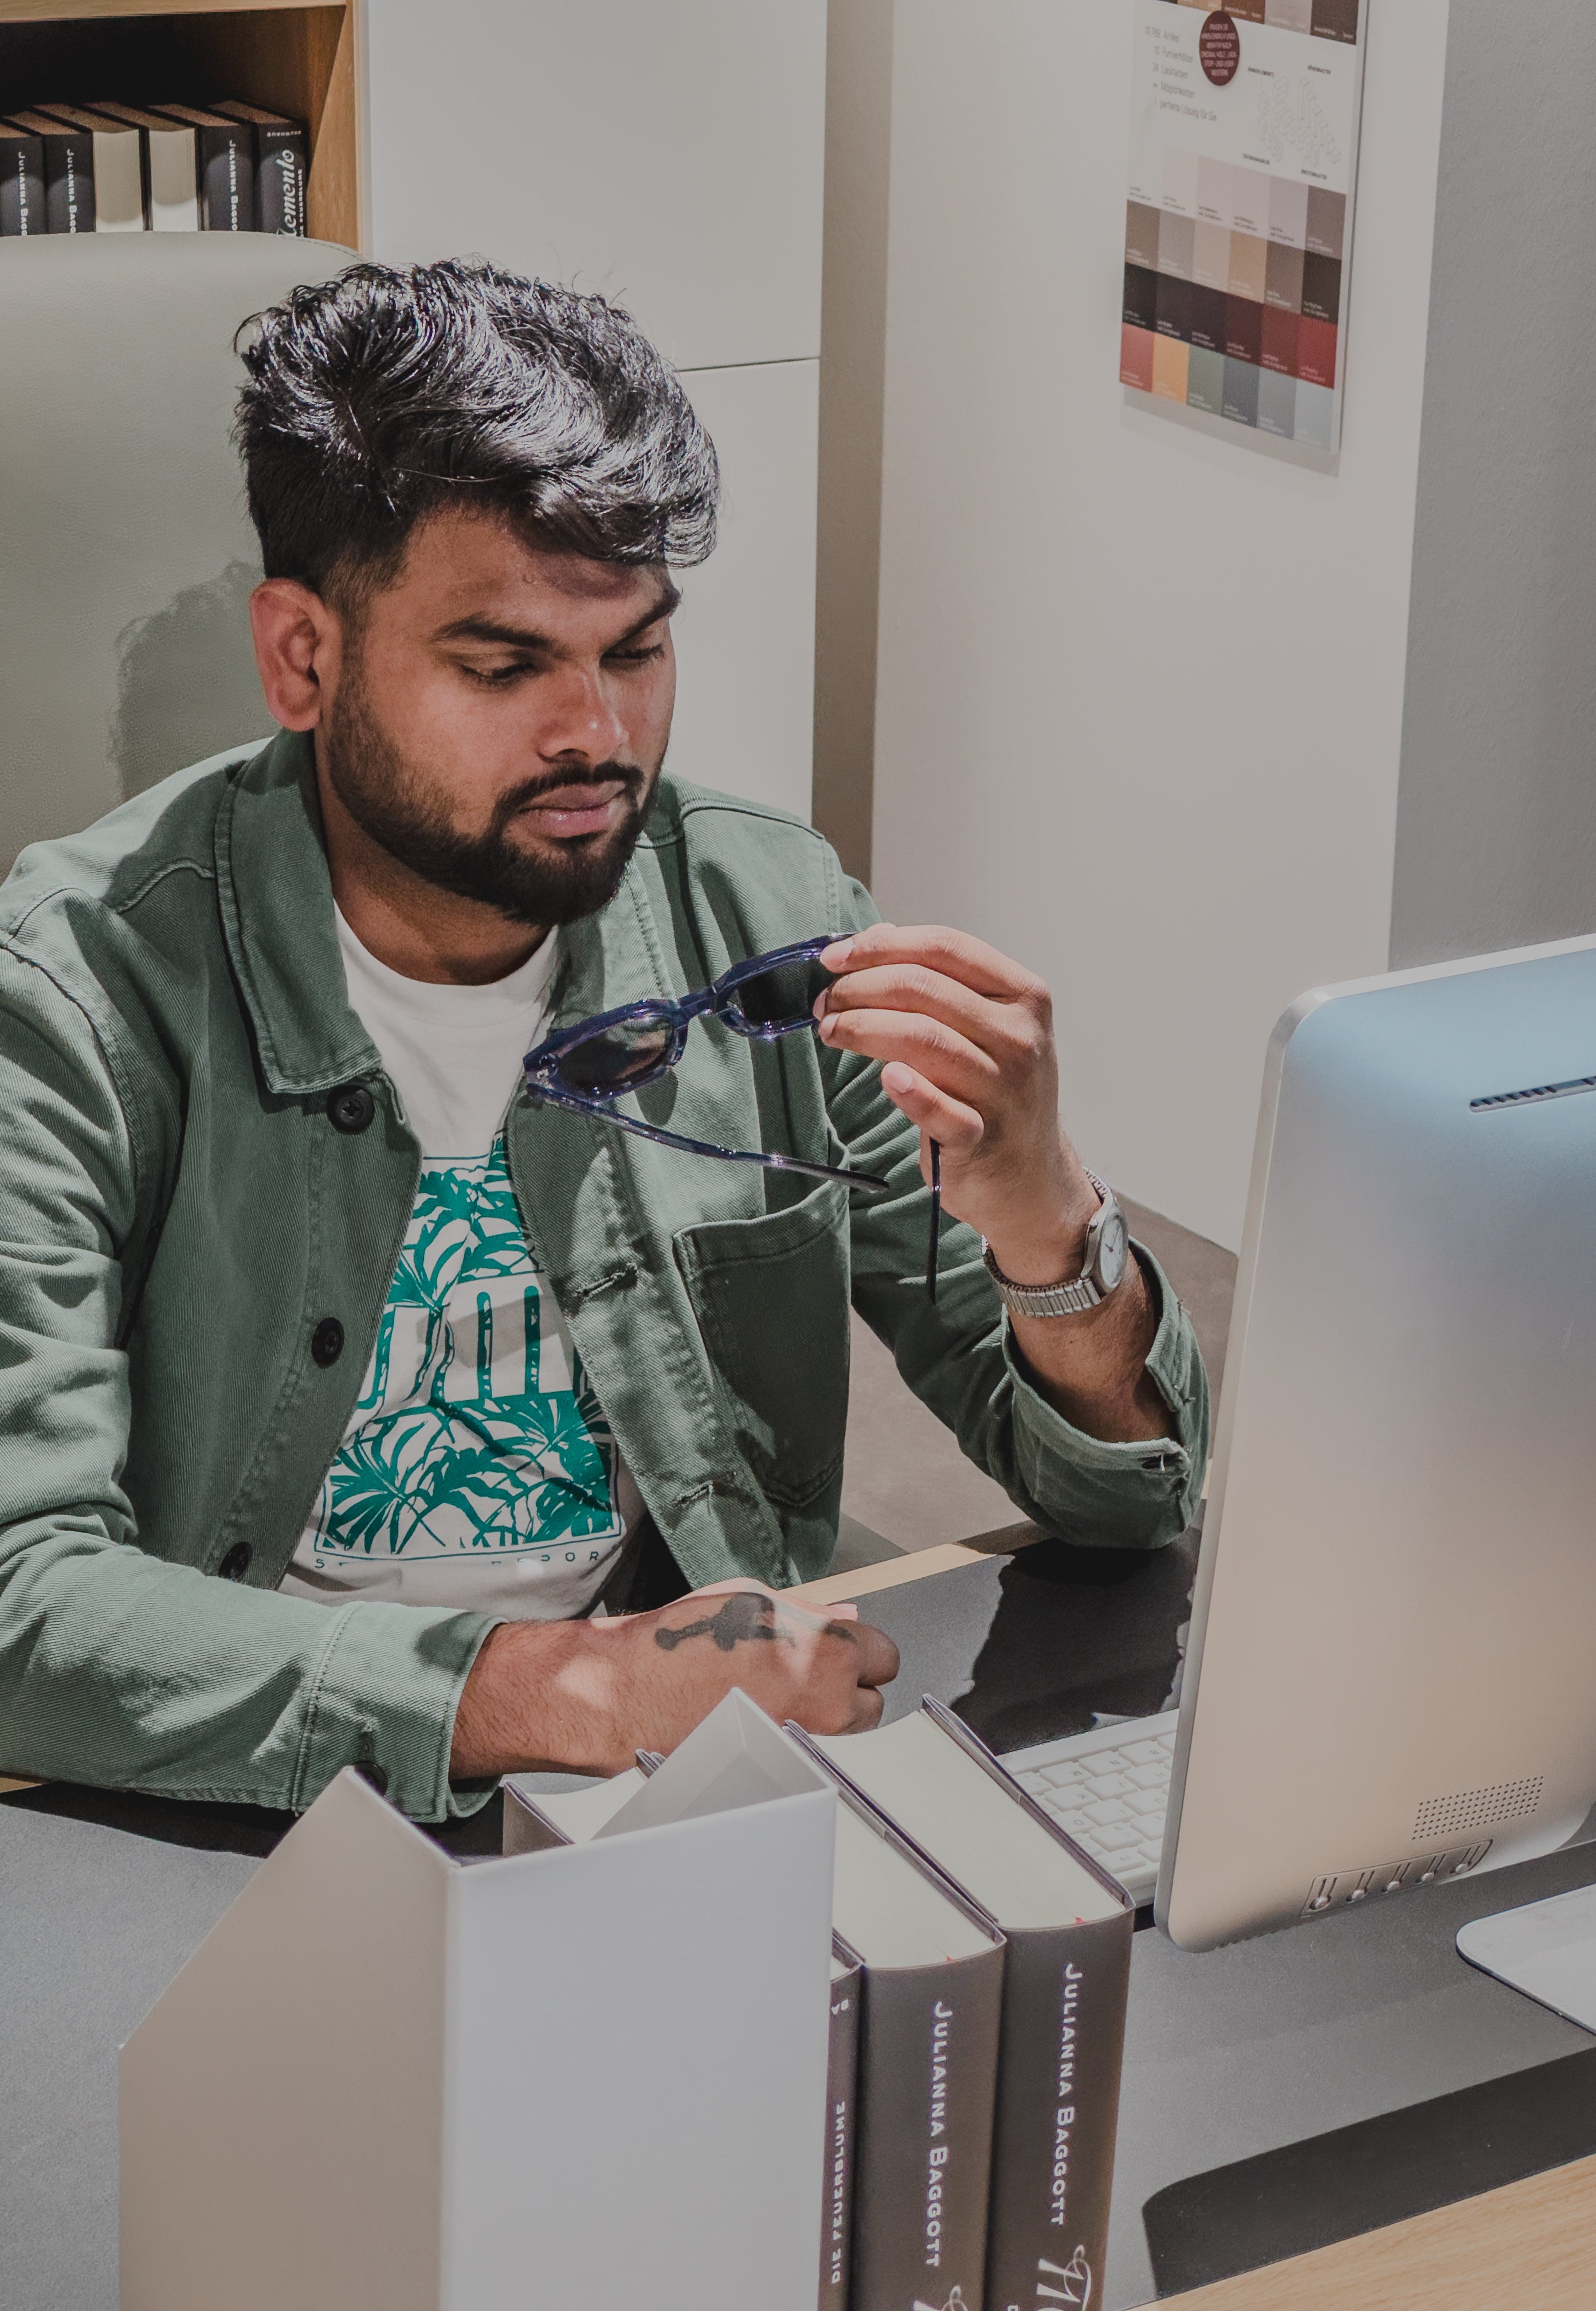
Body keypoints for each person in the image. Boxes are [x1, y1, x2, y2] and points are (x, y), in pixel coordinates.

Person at [0, 260, 1207, 1823]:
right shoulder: (74, 997)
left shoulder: (768, 917)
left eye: (635, 651)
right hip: (238, 1800)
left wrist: (1051, 1232)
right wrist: (569, 1693)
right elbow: (24, 1605)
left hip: (669, 1785)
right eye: (503, 667)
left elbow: (1120, 1503)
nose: (599, 735)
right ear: (303, 658)